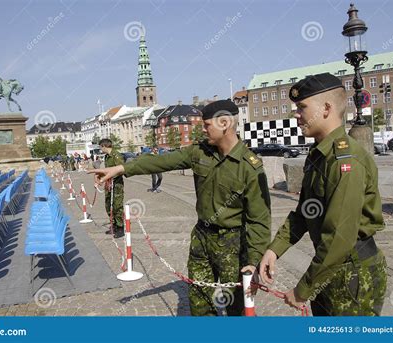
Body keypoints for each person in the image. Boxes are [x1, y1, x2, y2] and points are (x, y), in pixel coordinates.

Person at [89, 100, 271, 316]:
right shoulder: (199, 152)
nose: (202, 129)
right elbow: (161, 162)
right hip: (202, 238)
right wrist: (121, 168)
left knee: (237, 307)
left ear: (224, 123)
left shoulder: (250, 167)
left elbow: (260, 219)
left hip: (233, 243)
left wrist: (254, 261)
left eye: (206, 125)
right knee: (200, 302)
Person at [255, 73, 387, 316]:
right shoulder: (319, 155)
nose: (296, 115)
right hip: (330, 269)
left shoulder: (344, 161)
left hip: (353, 274)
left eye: (302, 108)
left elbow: (339, 237)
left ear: (326, 108)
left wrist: (302, 289)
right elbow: (305, 212)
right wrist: (274, 250)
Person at [99, 138, 125, 239]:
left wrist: (110, 177)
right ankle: (113, 225)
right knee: (108, 205)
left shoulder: (116, 155)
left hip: (117, 184)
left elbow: (121, 170)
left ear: (104, 146)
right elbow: (106, 170)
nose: (101, 150)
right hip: (108, 184)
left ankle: (120, 228)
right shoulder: (106, 157)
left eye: (101, 147)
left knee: (117, 206)